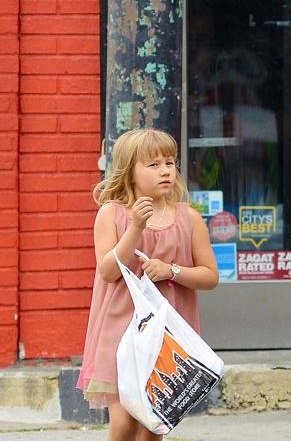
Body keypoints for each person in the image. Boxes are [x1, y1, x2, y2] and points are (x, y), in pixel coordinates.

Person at [76, 129, 219, 441]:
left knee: (153, 427)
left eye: (170, 163)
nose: (166, 171)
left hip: (166, 338)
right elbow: (108, 271)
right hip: (120, 332)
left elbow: (210, 276)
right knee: (124, 424)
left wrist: (172, 270)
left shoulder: (188, 218)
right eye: (153, 165)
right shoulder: (111, 214)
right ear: (130, 171)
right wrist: (136, 227)